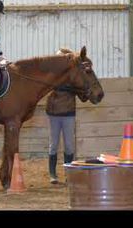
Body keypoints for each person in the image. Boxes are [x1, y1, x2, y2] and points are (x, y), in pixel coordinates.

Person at [45, 49, 80, 184]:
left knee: (69, 145)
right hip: (54, 113)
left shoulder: (72, 74)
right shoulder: (52, 74)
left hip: (68, 113)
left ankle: (68, 174)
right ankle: (52, 174)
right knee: (53, 144)